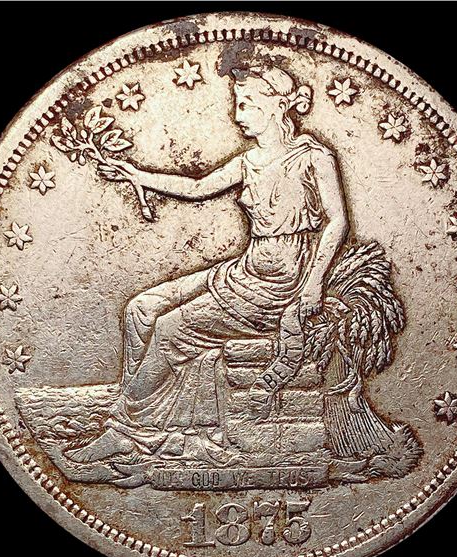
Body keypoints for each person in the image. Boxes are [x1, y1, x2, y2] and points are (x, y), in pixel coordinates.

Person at [66, 65, 349, 465]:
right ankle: (146, 419)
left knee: (169, 330)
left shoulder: (314, 158)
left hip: (281, 286)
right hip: (245, 273)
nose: (237, 114)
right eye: (238, 104)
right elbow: (198, 188)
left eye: (246, 104)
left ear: (276, 105)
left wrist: (315, 284)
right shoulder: (249, 161)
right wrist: (137, 176)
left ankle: (125, 431)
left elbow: (338, 221)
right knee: (141, 309)